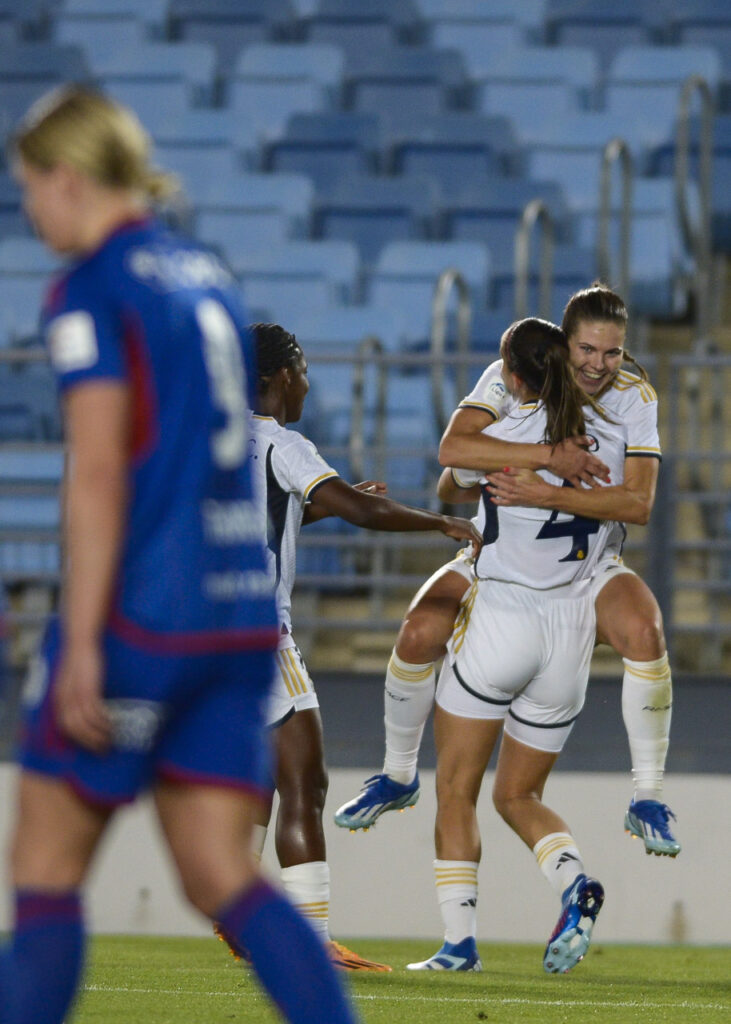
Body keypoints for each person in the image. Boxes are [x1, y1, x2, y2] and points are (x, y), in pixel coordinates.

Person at [1, 85, 360, 1024]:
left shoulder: (91, 288)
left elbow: (99, 470)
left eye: (28, 186)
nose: (29, 208)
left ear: (67, 178)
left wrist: (79, 640)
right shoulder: (204, 276)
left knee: (42, 867)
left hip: (144, 614)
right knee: (216, 872)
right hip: (237, 617)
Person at [336, 284, 680, 860]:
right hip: (497, 555)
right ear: (562, 344)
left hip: (588, 561)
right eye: (587, 350)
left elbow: (638, 506)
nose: (599, 364)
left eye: (612, 352)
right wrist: (537, 459)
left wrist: (547, 491)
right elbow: (452, 468)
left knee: (644, 630)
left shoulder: (634, 397)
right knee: (420, 630)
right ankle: (397, 775)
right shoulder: (509, 376)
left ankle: (647, 795)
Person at [215, 321, 481, 972]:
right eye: (302, 373)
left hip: (211, 632)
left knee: (263, 773)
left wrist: (338, 502)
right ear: (281, 377)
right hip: (260, 636)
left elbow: (274, 515)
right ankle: (307, 938)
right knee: (304, 780)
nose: (306, 384)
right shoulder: (283, 442)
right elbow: (363, 516)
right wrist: (441, 521)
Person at [406, 316, 625, 974]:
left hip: (503, 620)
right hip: (570, 633)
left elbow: (451, 469)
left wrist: (516, 453)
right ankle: (572, 883)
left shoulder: (497, 433)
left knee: (455, 787)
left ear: (509, 376)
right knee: (518, 796)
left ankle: (457, 945)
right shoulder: (611, 434)